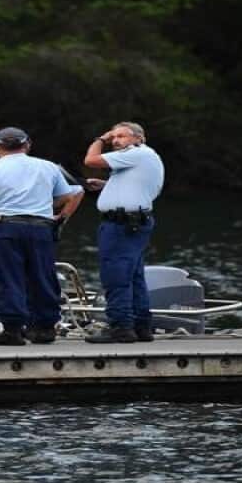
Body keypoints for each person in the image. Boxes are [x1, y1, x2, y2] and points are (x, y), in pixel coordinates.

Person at [0, 127, 84, 345]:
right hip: (41, 228)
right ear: (27, 144)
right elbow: (67, 196)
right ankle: (45, 328)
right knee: (43, 276)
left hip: (6, 228)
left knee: (8, 278)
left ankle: (12, 330)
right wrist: (48, 209)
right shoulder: (48, 167)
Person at [82, 121, 165, 343]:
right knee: (134, 277)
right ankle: (141, 327)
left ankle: (120, 328)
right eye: (114, 137)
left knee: (115, 277)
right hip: (133, 224)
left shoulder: (135, 153)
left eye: (121, 136)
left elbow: (90, 160)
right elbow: (136, 185)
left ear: (139, 138)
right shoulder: (142, 157)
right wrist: (106, 185)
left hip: (121, 226)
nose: (116, 141)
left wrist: (101, 139)